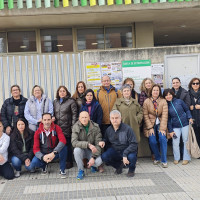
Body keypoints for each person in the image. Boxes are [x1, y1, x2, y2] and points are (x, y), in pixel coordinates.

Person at [26, 113, 67, 179]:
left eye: (48, 120)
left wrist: (54, 152)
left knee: (64, 148)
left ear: (51, 120)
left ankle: (62, 169)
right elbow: (35, 149)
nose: (47, 122)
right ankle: (44, 166)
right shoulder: (37, 132)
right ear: (42, 120)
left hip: (54, 153)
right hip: (43, 153)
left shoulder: (57, 128)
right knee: (33, 163)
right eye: (45, 120)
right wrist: (43, 157)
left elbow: (63, 140)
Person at [100, 110, 138, 177]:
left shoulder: (127, 129)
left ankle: (131, 170)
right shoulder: (108, 130)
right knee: (104, 156)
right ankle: (119, 166)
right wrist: (103, 141)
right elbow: (106, 139)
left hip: (128, 150)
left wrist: (125, 155)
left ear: (120, 118)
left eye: (117, 118)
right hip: (116, 150)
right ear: (110, 119)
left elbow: (134, 144)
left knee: (132, 157)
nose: (114, 120)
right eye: (112, 118)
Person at [163, 89, 193, 165]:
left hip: (185, 124)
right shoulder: (166, 105)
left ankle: (186, 158)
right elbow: (168, 120)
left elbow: (187, 110)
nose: (168, 96)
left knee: (185, 140)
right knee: (175, 141)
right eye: (166, 95)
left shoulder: (179, 101)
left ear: (172, 95)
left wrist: (189, 117)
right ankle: (176, 158)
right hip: (175, 126)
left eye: (170, 94)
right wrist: (170, 130)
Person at [71, 111, 103, 180]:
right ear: (79, 118)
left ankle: (93, 166)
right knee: (76, 150)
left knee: (98, 162)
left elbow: (98, 144)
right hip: (81, 150)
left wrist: (93, 157)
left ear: (89, 118)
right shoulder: (75, 127)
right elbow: (74, 142)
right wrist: (88, 144)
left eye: (86, 117)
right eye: (82, 117)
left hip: (92, 151)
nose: (84, 119)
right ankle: (81, 170)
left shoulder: (96, 127)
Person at [143, 84, 168, 168]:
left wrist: (163, 128)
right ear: (151, 91)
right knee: (152, 141)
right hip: (150, 123)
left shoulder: (163, 101)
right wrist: (150, 128)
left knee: (162, 138)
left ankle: (164, 160)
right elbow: (145, 115)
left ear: (159, 91)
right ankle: (157, 157)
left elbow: (165, 115)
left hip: (161, 123)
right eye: (154, 90)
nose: (155, 92)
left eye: (157, 90)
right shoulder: (147, 101)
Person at [53, 86, 77, 169]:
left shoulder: (71, 101)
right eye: (60, 91)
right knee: (60, 145)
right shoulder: (55, 102)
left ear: (66, 92)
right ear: (58, 93)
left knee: (67, 145)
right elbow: (53, 114)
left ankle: (69, 161)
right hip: (58, 128)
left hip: (67, 127)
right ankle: (62, 160)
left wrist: (73, 126)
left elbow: (74, 115)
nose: (62, 92)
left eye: (64, 91)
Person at [188, 78, 200, 148]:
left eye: (197, 83)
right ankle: (198, 152)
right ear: (191, 84)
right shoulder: (188, 93)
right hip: (193, 118)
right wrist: (189, 107)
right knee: (196, 136)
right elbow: (185, 105)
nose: (195, 85)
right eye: (193, 83)